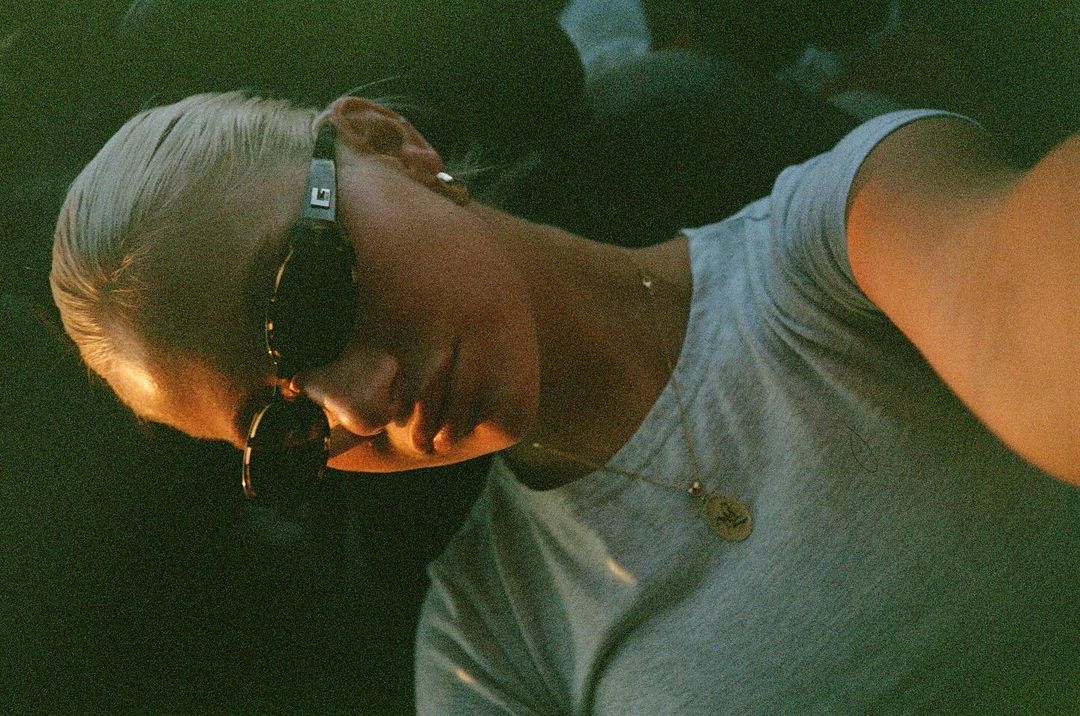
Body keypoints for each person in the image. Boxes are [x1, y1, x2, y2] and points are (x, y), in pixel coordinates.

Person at [51, 90, 1079, 712]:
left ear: (387, 140)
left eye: (306, 300)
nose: (358, 406)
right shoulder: (490, 652)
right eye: (285, 430)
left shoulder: (839, 237)